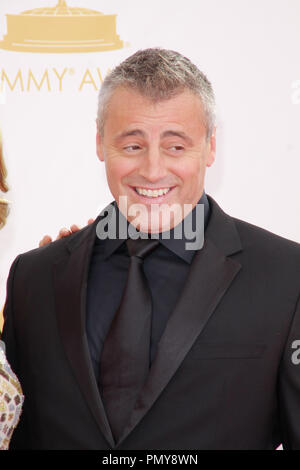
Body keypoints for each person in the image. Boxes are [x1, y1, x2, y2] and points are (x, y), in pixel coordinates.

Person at [1, 48, 300, 450]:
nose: (153, 170)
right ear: (100, 143)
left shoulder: (287, 278)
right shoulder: (32, 278)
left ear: (210, 147)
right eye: (132, 146)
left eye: (176, 147)